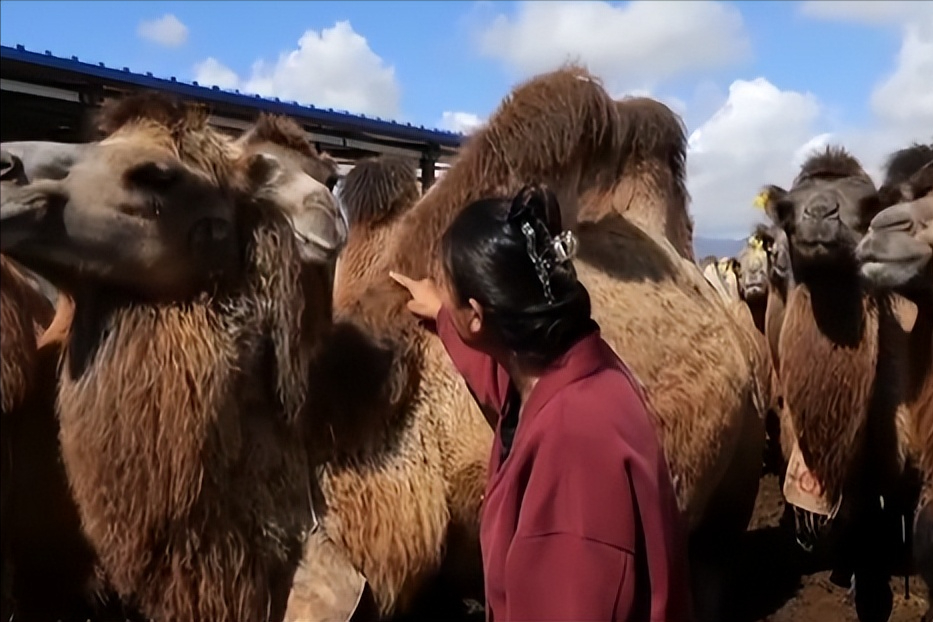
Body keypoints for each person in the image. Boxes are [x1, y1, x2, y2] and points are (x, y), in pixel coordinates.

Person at [390, 183, 692, 621]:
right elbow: (504, 383)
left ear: (478, 315)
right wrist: (443, 314)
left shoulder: (574, 445)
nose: (444, 294)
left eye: (449, 287)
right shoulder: (567, 368)